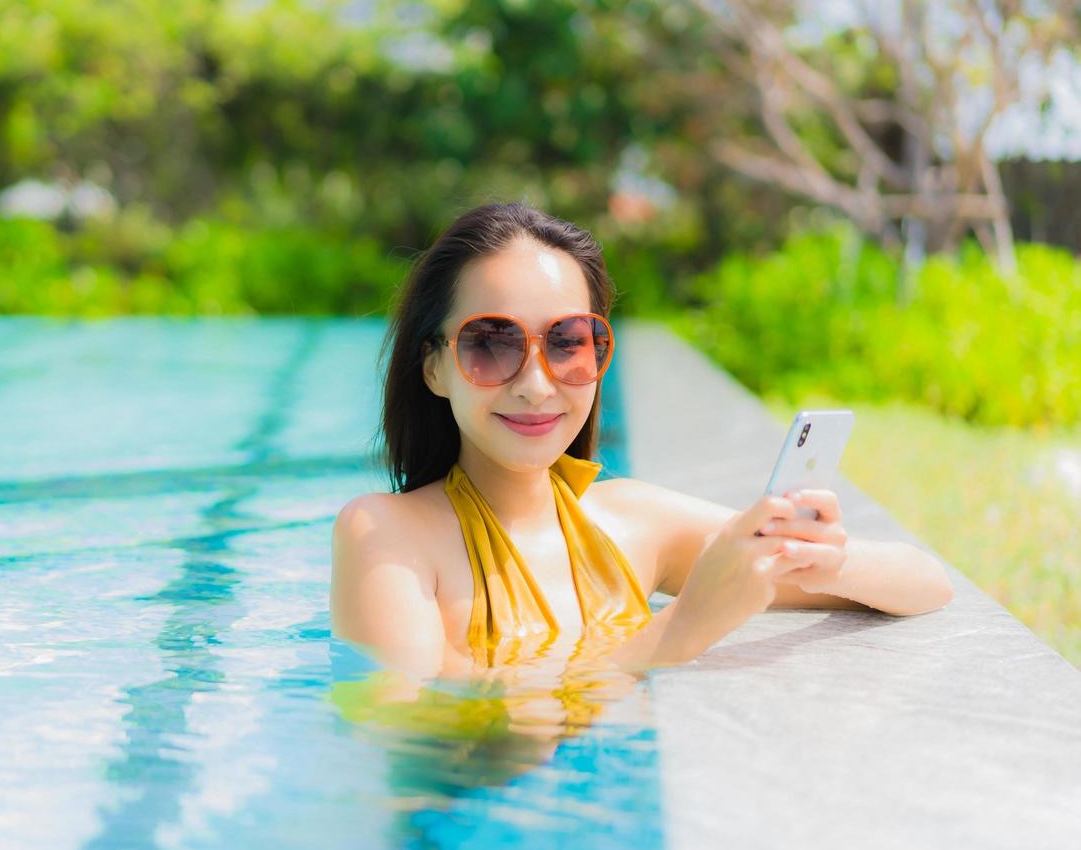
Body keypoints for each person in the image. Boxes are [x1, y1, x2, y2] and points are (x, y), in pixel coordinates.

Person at [330, 202, 953, 686]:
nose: (536, 383)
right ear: (434, 366)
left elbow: (927, 584)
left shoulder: (632, 522)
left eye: (568, 341)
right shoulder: (388, 538)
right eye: (492, 342)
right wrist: (681, 629)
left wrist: (823, 561)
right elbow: (410, 731)